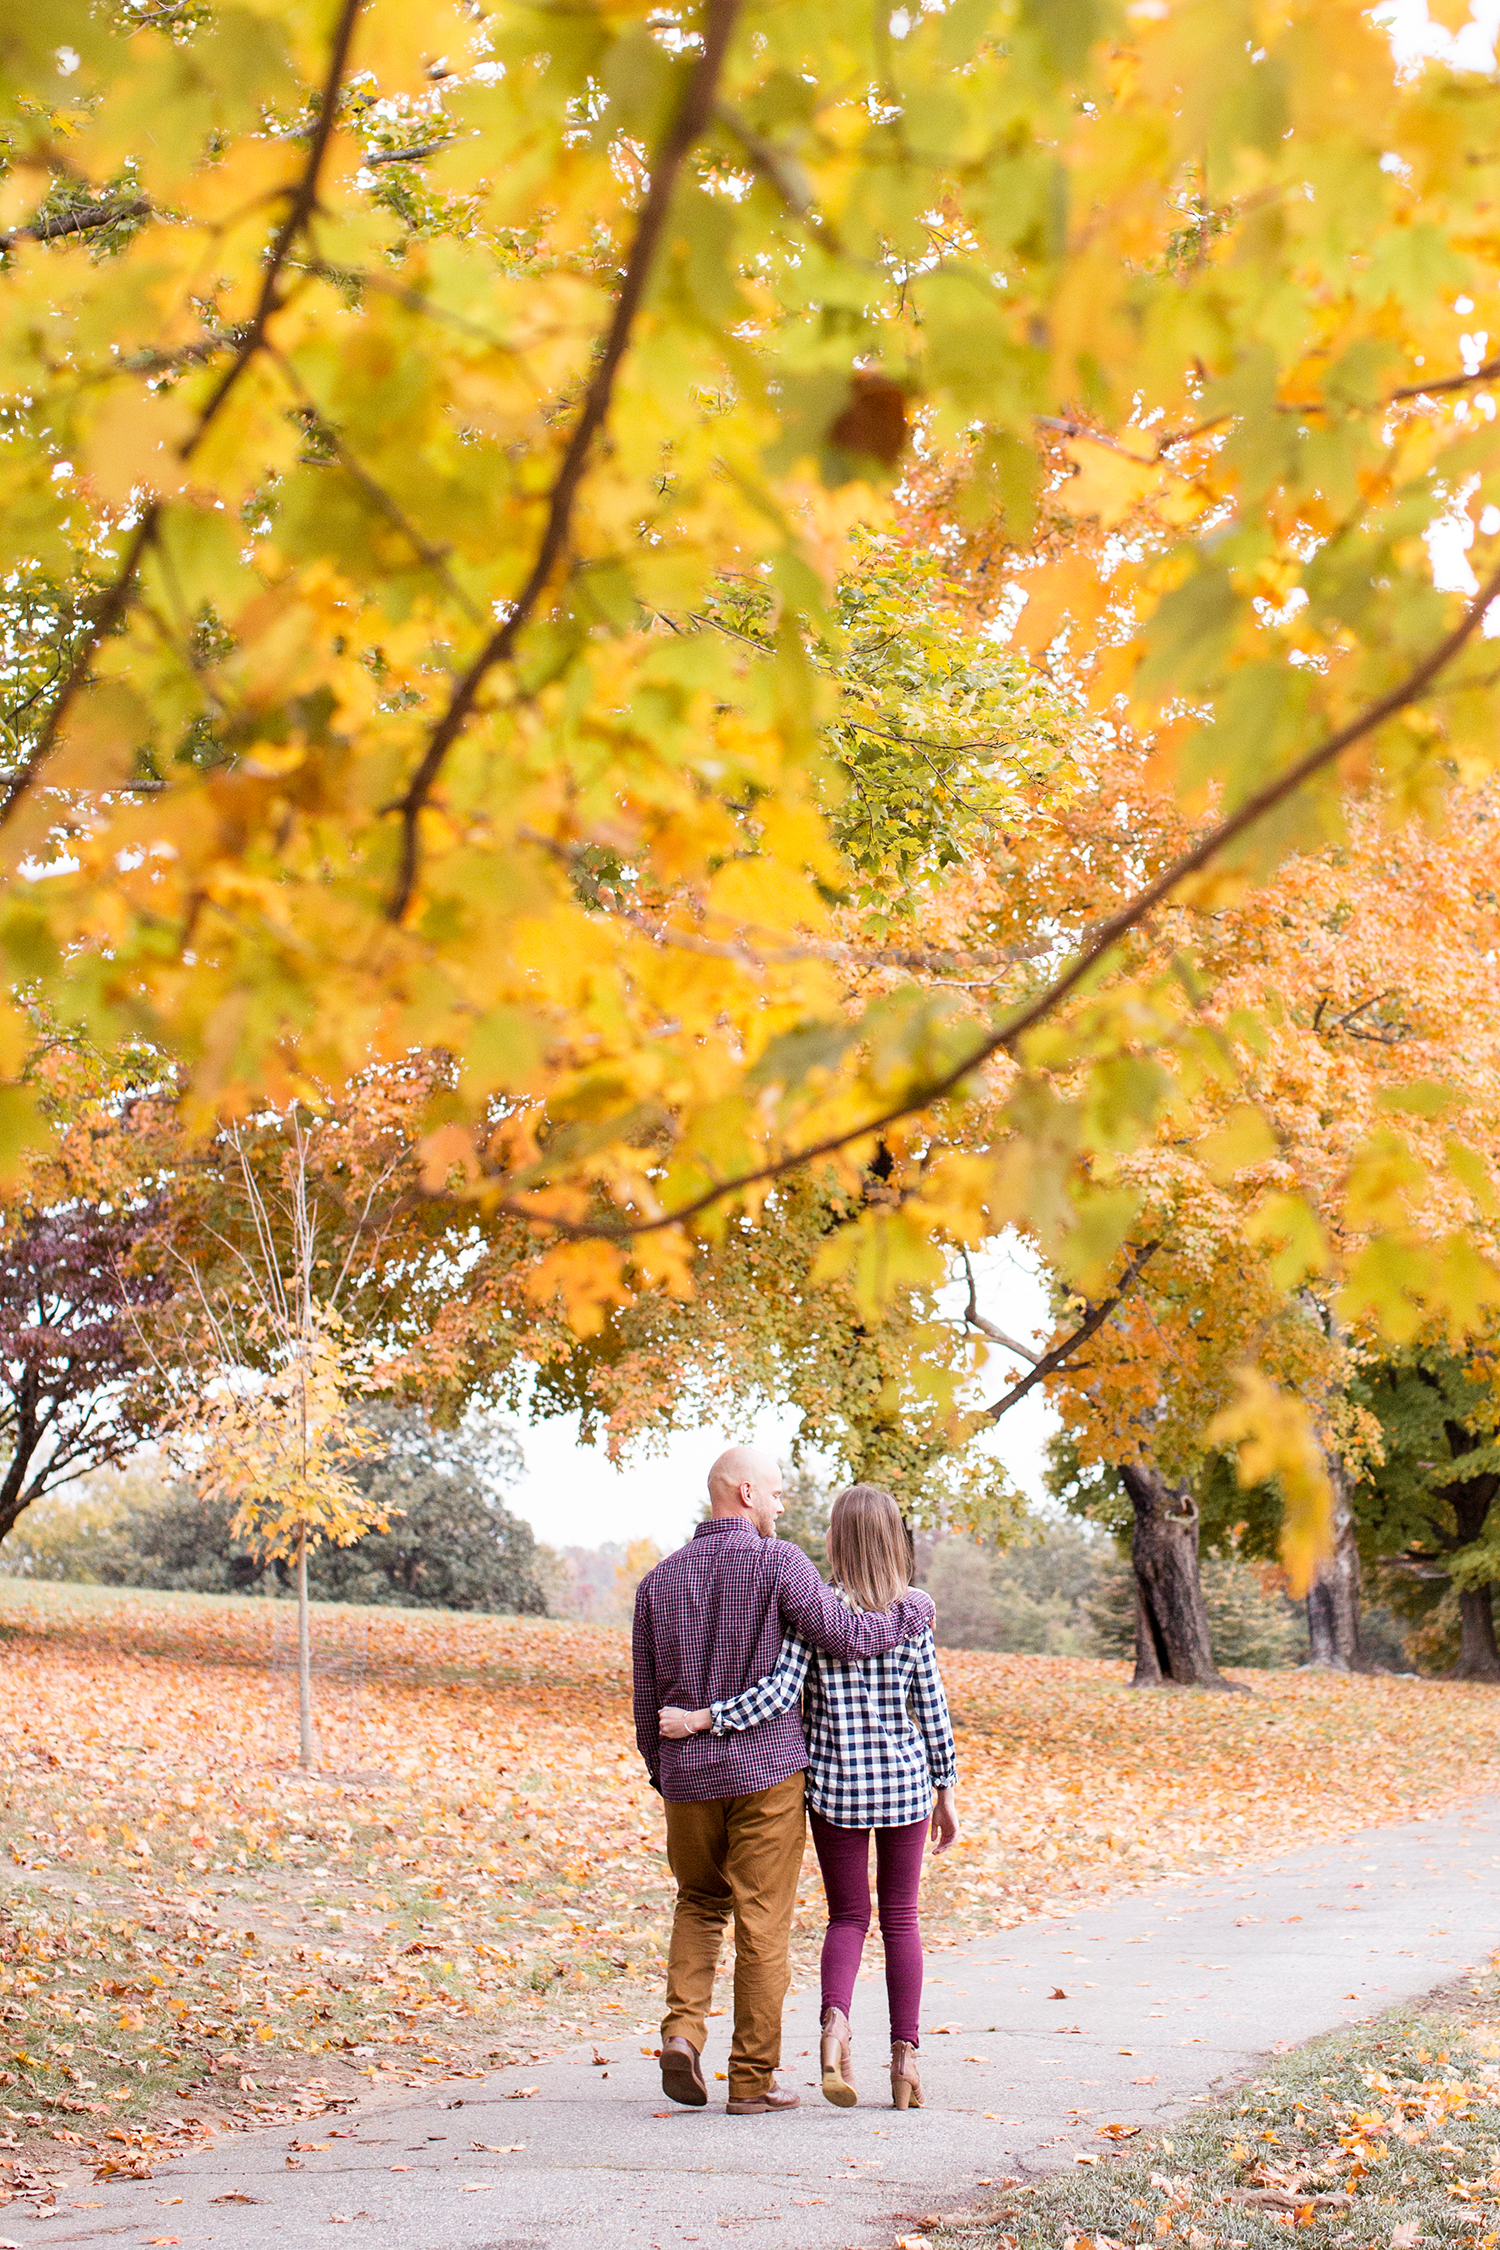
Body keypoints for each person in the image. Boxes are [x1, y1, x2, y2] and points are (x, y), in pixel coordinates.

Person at [631, 1447, 936, 2117]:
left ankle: (682, 2034)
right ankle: (751, 2080)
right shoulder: (781, 1563)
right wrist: (913, 1613)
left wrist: (665, 1770)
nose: (780, 1504)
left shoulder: (657, 1581)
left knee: (698, 1902)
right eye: (774, 1492)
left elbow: (645, 1697)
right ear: (746, 1493)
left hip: (686, 1775)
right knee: (762, 1921)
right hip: (766, 1772)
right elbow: (847, 1636)